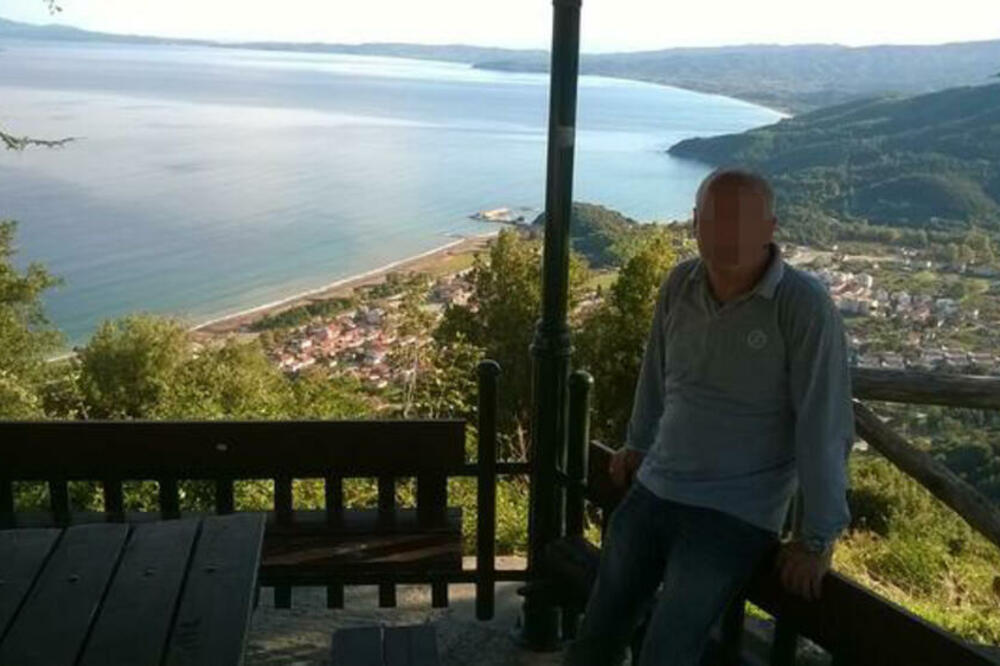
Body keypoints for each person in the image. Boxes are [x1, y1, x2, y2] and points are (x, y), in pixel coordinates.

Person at [562, 167, 854, 666]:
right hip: (657, 486)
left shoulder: (801, 306)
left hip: (735, 511)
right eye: (716, 220)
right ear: (696, 223)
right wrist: (638, 443)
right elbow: (656, 374)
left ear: (771, 228)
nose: (728, 233)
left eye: (744, 221)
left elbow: (823, 423)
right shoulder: (681, 283)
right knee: (597, 636)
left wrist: (818, 537)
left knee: (667, 650)